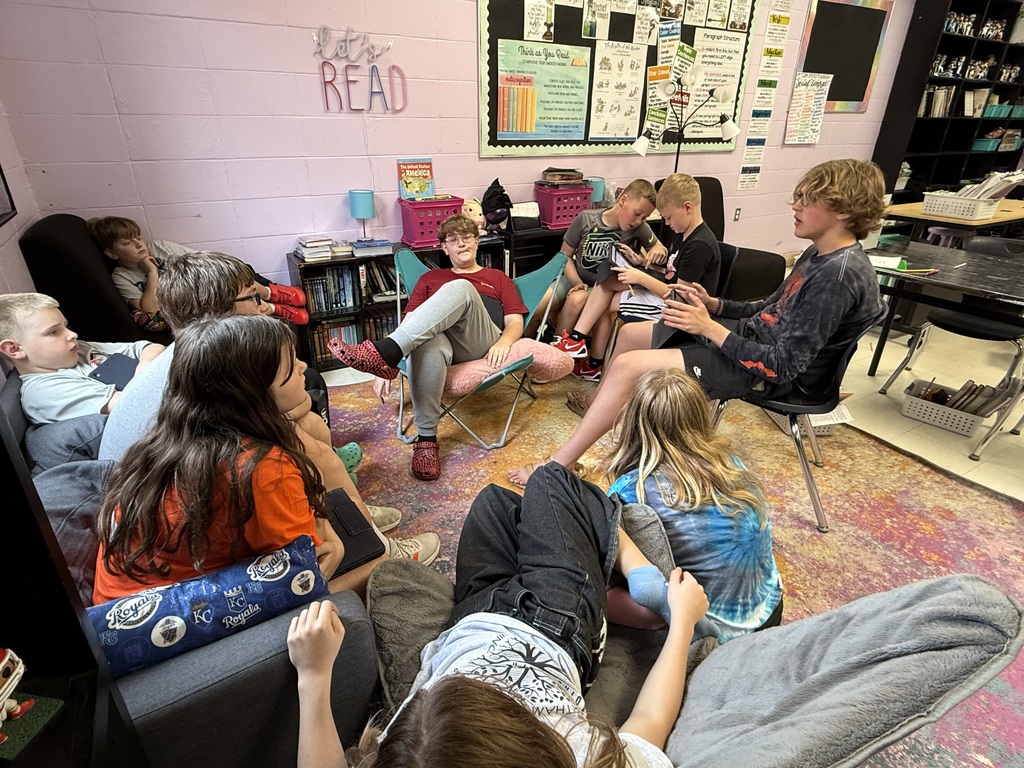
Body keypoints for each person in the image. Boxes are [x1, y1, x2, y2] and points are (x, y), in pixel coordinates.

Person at [287, 463, 710, 768]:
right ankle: (632, 573)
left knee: (496, 503)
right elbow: (649, 722)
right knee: (552, 480)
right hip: (554, 624)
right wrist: (683, 622)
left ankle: (594, 579)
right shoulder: (580, 756)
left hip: (468, 620)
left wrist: (314, 675)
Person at [510, 158, 887, 486]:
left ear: (842, 210)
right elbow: (767, 309)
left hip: (766, 372)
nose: (795, 205)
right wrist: (714, 304)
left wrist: (708, 327)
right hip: (752, 342)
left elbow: (783, 366)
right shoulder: (819, 254)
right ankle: (614, 425)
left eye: (808, 198)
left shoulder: (837, 278)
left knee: (626, 366)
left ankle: (559, 465)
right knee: (630, 337)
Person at [96, 251, 432, 564]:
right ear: (221, 312)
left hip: (182, 475)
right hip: (175, 504)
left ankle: (349, 517)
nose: (265, 306)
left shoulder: (197, 353)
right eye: (253, 298)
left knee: (308, 425)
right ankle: (378, 549)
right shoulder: (212, 371)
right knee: (308, 447)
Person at [93, 314, 355, 602]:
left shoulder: (169, 437)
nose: (304, 367)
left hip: (120, 603)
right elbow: (310, 565)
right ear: (252, 398)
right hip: (173, 621)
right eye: (290, 370)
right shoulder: (264, 467)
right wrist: (335, 543)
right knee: (378, 563)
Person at [326, 214, 528, 482]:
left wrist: (504, 341)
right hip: (441, 345)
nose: (461, 244)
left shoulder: (497, 277)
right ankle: (426, 440)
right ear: (444, 248)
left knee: (462, 288)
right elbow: (411, 325)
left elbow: (515, 321)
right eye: (453, 240)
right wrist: (388, 368)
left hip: (479, 340)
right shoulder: (429, 279)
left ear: (478, 242)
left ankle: (385, 351)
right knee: (426, 342)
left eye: (467, 237)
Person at [604, 367, 782, 642]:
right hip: (769, 609)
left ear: (633, 420)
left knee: (590, 588)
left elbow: (612, 558)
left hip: (715, 633)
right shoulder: (731, 463)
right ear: (701, 415)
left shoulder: (633, 489)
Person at [551, 173, 721, 382]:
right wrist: (641, 263)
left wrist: (640, 277)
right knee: (606, 283)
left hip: (679, 312)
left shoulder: (699, 245)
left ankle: (580, 345)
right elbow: (671, 275)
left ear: (687, 207)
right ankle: (588, 356)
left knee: (605, 288)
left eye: (667, 217)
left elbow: (679, 296)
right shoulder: (683, 234)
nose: (666, 223)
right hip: (666, 298)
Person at [86, 216, 310, 327]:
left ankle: (271, 293)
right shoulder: (122, 277)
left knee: (234, 274)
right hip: (195, 304)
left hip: (205, 284)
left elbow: (205, 264)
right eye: (128, 242)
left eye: (138, 237)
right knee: (229, 299)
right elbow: (150, 310)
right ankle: (273, 308)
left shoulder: (160, 247)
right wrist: (152, 272)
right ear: (112, 253)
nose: (139, 245)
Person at [530, 179, 667, 341]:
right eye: (637, 214)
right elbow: (565, 255)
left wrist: (658, 251)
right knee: (536, 306)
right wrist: (576, 282)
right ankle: (530, 343)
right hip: (574, 277)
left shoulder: (639, 228)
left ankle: (558, 348)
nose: (638, 221)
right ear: (623, 200)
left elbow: (660, 248)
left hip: (601, 287)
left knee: (576, 299)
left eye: (644, 218)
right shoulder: (586, 219)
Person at [0, 292, 165, 425]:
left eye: (66, 326)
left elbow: (149, 347)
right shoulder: (42, 391)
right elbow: (136, 403)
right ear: (14, 349)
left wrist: (144, 367)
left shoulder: (77, 349)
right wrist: (148, 372)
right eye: (54, 332)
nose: (72, 335)